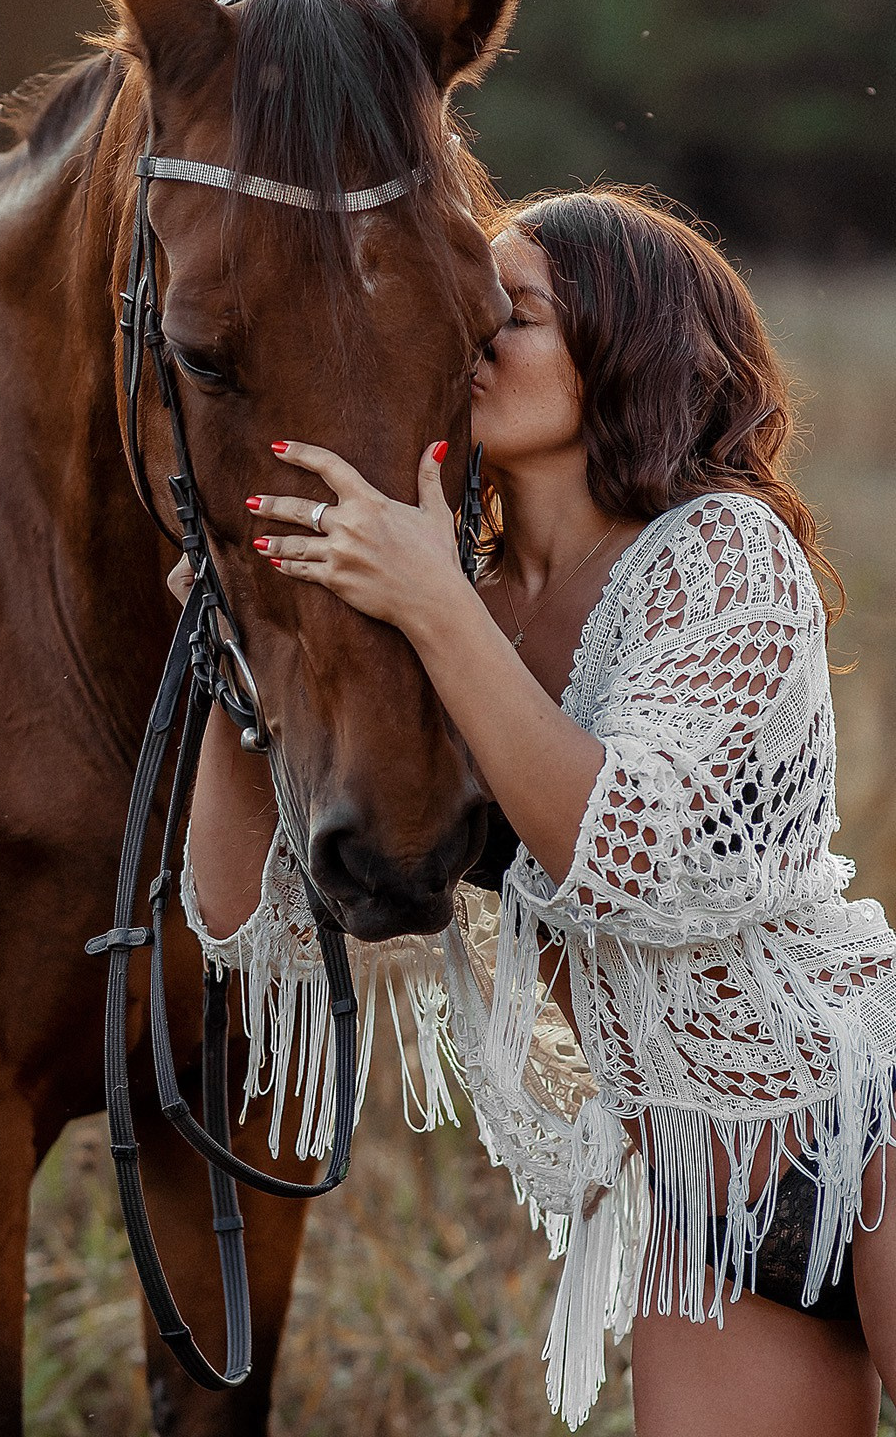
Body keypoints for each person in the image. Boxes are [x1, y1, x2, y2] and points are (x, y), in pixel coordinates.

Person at [171, 186, 896, 1437]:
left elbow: (622, 850)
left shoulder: (721, 553)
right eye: (470, 315)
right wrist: (239, 653)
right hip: (697, 1206)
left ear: (629, 341)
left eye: (514, 315)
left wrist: (432, 602)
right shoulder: (443, 602)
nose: (476, 343)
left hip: (864, 1122)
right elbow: (249, 920)